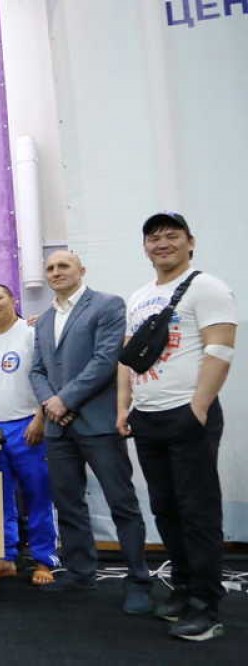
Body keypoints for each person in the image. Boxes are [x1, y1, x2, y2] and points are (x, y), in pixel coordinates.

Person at [117, 212, 237, 641]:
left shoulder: (207, 286)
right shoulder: (139, 296)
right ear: (145, 247)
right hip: (147, 417)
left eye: (172, 235)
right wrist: (123, 407)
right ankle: (184, 588)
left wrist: (198, 408)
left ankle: (206, 606)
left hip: (187, 414)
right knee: (166, 509)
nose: (162, 243)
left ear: (191, 242)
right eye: (154, 237)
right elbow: (128, 357)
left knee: (197, 512)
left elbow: (220, 349)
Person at [31, 251, 152, 611]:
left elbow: (106, 360)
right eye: (50, 268)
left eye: (63, 266)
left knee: (122, 504)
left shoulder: (107, 305)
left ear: (81, 270)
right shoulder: (44, 320)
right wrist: (52, 402)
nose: (56, 272)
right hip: (58, 429)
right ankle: (80, 573)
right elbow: (36, 370)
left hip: (98, 424)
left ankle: (139, 580)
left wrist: (64, 400)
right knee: (68, 504)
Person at [0, 284, 58, 585]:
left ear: (13, 300)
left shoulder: (31, 334)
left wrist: (40, 418)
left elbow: (49, 377)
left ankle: (44, 560)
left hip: (29, 424)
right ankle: (6, 556)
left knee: (38, 495)